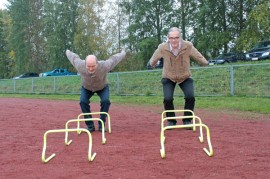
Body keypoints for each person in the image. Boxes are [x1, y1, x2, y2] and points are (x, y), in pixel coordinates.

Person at [149, 27, 209, 129]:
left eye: (176, 38)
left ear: (180, 38)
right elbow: (154, 58)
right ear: (168, 38)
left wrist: (206, 63)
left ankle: (187, 120)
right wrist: (152, 64)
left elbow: (198, 56)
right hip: (169, 76)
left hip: (184, 76)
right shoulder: (162, 47)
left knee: (190, 97)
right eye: (171, 38)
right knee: (167, 98)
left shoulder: (188, 46)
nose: (174, 40)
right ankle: (171, 121)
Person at [66, 49, 126, 132]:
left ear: (97, 63)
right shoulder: (80, 65)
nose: (90, 69)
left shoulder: (104, 66)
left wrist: (123, 53)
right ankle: (90, 126)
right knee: (83, 101)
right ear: (85, 64)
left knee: (106, 101)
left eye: (93, 66)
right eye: (88, 66)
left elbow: (114, 59)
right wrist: (67, 51)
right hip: (87, 87)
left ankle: (101, 125)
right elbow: (73, 57)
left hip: (102, 87)